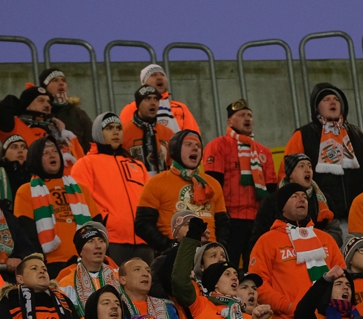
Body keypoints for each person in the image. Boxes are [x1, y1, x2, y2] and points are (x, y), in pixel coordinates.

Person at [248, 183, 346, 319]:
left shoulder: (325, 239)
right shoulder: (267, 241)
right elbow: (258, 284)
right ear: (282, 206)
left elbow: (343, 278)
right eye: (294, 196)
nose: (302, 199)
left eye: (304, 196)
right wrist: (288, 306)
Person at [282, 83, 363, 243]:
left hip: (360, 216)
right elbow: (287, 176)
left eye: (336, 99)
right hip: (323, 220)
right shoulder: (303, 135)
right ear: (316, 108)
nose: (333, 102)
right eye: (326, 99)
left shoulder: (358, 135)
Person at [203, 99, 278, 267]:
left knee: (257, 266)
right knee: (228, 265)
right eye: (242, 115)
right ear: (230, 121)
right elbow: (213, 185)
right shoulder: (218, 146)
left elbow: (272, 190)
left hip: (257, 220)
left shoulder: (264, 152)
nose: (247, 118)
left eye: (250, 115)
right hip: (230, 219)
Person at [71, 112, 152, 264]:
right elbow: (82, 204)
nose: (115, 132)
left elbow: (152, 200)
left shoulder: (137, 165)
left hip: (144, 240)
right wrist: (102, 227)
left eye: (118, 128)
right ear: (97, 133)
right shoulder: (85, 164)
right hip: (109, 240)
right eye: (109, 128)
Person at [13, 137, 100, 276]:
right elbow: (26, 232)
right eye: (45, 153)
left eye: (55, 151)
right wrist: (40, 264)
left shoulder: (80, 189)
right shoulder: (26, 191)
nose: (52, 155)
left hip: (87, 262)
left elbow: (97, 226)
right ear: (35, 158)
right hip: (51, 265)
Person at [135, 130, 228, 253]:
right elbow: (142, 224)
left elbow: (223, 224)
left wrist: (219, 247)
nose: (195, 148)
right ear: (175, 150)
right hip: (175, 253)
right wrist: (169, 246)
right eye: (188, 144)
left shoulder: (212, 184)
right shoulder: (156, 183)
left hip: (209, 253)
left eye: (198, 145)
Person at [0, 85, 86, 172]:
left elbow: (82, 162)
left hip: (72, 183)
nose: (47, 105)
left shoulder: (65, 133)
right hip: (36, 183)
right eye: (41, 100)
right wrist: (21, 105)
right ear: (27, 105)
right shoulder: (16, 126)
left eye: (48, 102)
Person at [250, 153, 334, 247]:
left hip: (319, 250)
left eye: (310, 166)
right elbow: (259, 235)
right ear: (290, 174)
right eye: (301, 166)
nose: (307, 170)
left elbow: (334, 230)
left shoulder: (324, 199)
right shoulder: (272, 201)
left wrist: (318, 244)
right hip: (283, 250)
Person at [56, 222, 120, 317]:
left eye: (101, 241)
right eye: (91, 241)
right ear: (80, 251)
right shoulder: (66, 283)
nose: (98, 246)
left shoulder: (118, 277)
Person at [119, 64, 199, 133]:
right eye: (153, 75)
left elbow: (193, 136)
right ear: (144, 83)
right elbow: (124, 135)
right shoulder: (132, 108)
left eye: (162, 75)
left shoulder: (181, 107)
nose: (159, 77)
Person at [122, 85, 173, 174]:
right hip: (134, 181)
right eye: (148, 98)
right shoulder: (123, 132)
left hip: (161, 180)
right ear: (138, 104)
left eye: (156, 99)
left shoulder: (168, 133)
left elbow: (172, 165)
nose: (153, 103)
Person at [38, 68, 92, 149]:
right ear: (45, 87)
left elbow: (91, 143)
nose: (61, 83)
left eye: (63, 80)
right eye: (55, 80)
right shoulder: (39, 115)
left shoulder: (78, 113)